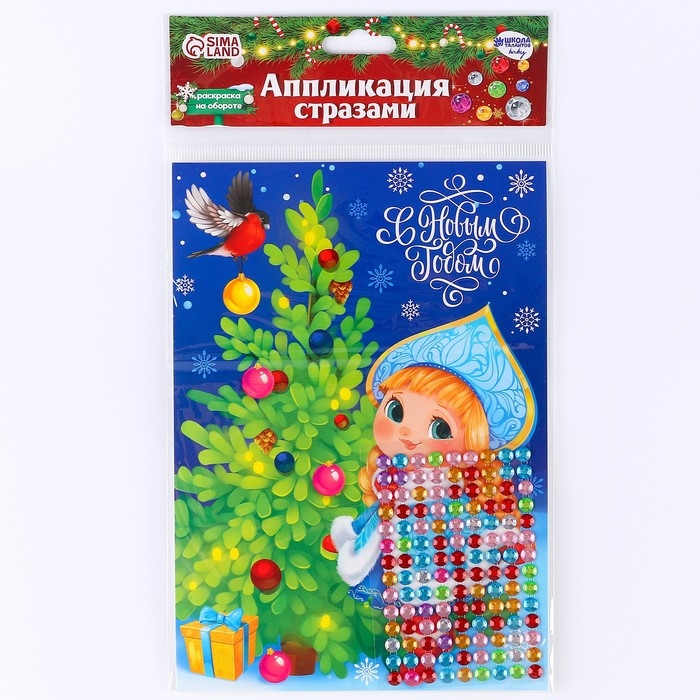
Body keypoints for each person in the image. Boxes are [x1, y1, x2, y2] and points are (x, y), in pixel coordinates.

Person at [330, 305, 536, 607]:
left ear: (471, 442)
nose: (407, 434)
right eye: (396, 411)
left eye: (439, 428)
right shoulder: (390, 478)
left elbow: (469, 528)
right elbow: (374, 516)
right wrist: (354, 531)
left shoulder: (450, 492)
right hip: (388, 567)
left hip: (432, 574)